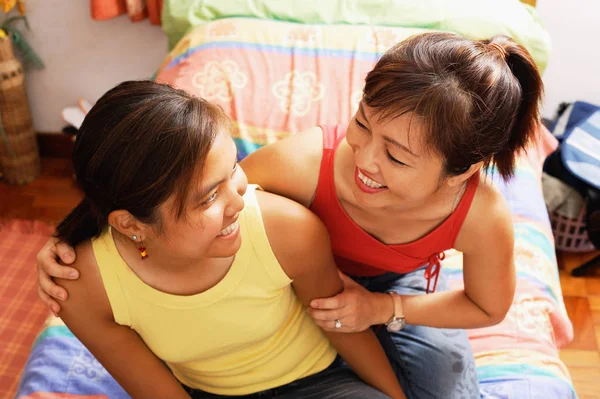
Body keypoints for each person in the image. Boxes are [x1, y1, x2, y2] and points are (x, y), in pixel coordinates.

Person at [37, 32, 544, 399]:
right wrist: (71, 235)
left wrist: (383, 308)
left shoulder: (480, 214)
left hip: (397, 289)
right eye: (362, 124)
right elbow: (168, 190)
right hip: (304, 278)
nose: (365, 160)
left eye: (397, 156)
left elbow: (486, 306)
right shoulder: (296, 168)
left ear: (461, 172)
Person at [42, 80, 405, 399]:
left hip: (321, 383)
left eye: (233, 168)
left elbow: (342, 327)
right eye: (209, 197)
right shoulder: (81, 284)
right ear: (132, 224)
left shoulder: (289, 229)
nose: (238, 201)